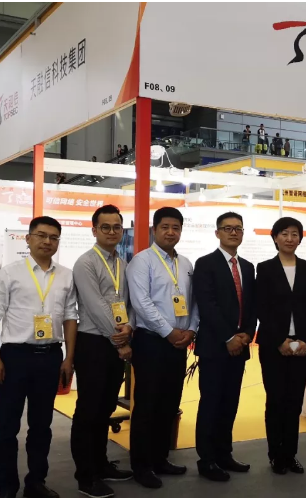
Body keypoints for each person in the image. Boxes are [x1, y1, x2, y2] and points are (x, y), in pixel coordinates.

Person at [0, 216, 78, 498]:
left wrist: (69, 358)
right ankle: (6, 487)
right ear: (28, 238)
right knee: (7, 426)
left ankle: (35, 482)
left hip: (50, 357)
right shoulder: (10, 273)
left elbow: (70, 317)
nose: (47, 241)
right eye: (41, 235)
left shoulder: (66, 275)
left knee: (41, 426)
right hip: (15, 358)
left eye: (53, 237)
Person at [126, 207, 198, 489]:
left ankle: (160, 459)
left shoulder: (186, 263)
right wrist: (168, 332)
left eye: (176, 227)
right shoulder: (142, 261)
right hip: (151, 342)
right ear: (154, 230)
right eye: (165, 227)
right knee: (147, 404)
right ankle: (141, 465)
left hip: (179, 343)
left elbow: (194, 302)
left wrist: (191, 330)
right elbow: (141, 303)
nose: (171, 232)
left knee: (169, 402)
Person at [70, 205, 134, 498]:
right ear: (94, 230)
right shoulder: (85, 263)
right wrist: (120, 341)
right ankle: (86, 476)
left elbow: (128, 302)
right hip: (94, 343)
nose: (111, 232)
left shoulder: (122, 263)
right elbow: (95, 306)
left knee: (106, 407)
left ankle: (101, 464)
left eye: (116, 227)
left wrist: (129, 326)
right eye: (105, 227)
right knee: (88, 410)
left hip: (116, 342)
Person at [193, 212, 257, 482]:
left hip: (240, 346)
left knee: (230, 403)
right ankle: (206, 460)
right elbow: (207, 305)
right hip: (214, 347)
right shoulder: (205, 264)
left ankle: (224, 454)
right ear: (217, 233)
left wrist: (246, 334)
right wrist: (228, 337)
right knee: (211, 404)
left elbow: (251, 305)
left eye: (238, 229)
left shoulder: (248, 266)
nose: (233, 233)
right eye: (228, 228)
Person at [256, 217, 306, 475]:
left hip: (301, 345)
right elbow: (262, 308)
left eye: (295, 234)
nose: (290, 238)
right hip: (273, 346)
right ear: (275, 237)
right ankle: (276, 455)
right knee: (276, 400)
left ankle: (290, 454)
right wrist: (279, 340)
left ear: (300, 238)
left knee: (294, 401)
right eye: (284, 233)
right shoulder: (265, 268)